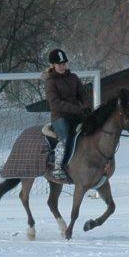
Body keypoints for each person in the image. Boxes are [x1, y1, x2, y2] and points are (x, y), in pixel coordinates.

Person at [43, 48, 91, 179]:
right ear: (53, 65)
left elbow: (83, 94)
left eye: (64, 63)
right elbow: (55, 104)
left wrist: (86, 106)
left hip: (77, 115)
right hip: (60, 117)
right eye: (60, 64)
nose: (62, 66)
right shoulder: (50, 82)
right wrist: (78, 109)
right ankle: (58, 167)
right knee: (65, 138)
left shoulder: (73, 78)